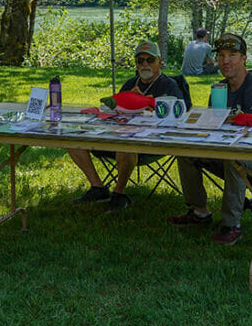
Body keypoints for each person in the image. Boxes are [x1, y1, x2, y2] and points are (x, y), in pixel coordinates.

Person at [169, 33, 252, 245]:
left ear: (244, 58)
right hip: (224, 147)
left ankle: (231, 224)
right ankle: (199, 212)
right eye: (222, 56)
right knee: (185, 152)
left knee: (234, 158)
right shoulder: (219, 88)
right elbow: (213, 124)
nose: (225, 61)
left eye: (232, 55)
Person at [69, 40, 182, 211]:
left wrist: (148, 107)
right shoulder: (130, 84)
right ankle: (98, 187)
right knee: (71, 138)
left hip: (150, 143)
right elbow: (115, 108)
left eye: (150, 60)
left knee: (125, 144)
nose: (144, 64)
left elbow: (177, 116)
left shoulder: (169, 85)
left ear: (159, 62)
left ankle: (119, 193)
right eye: (140, 60)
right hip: (116, 133)